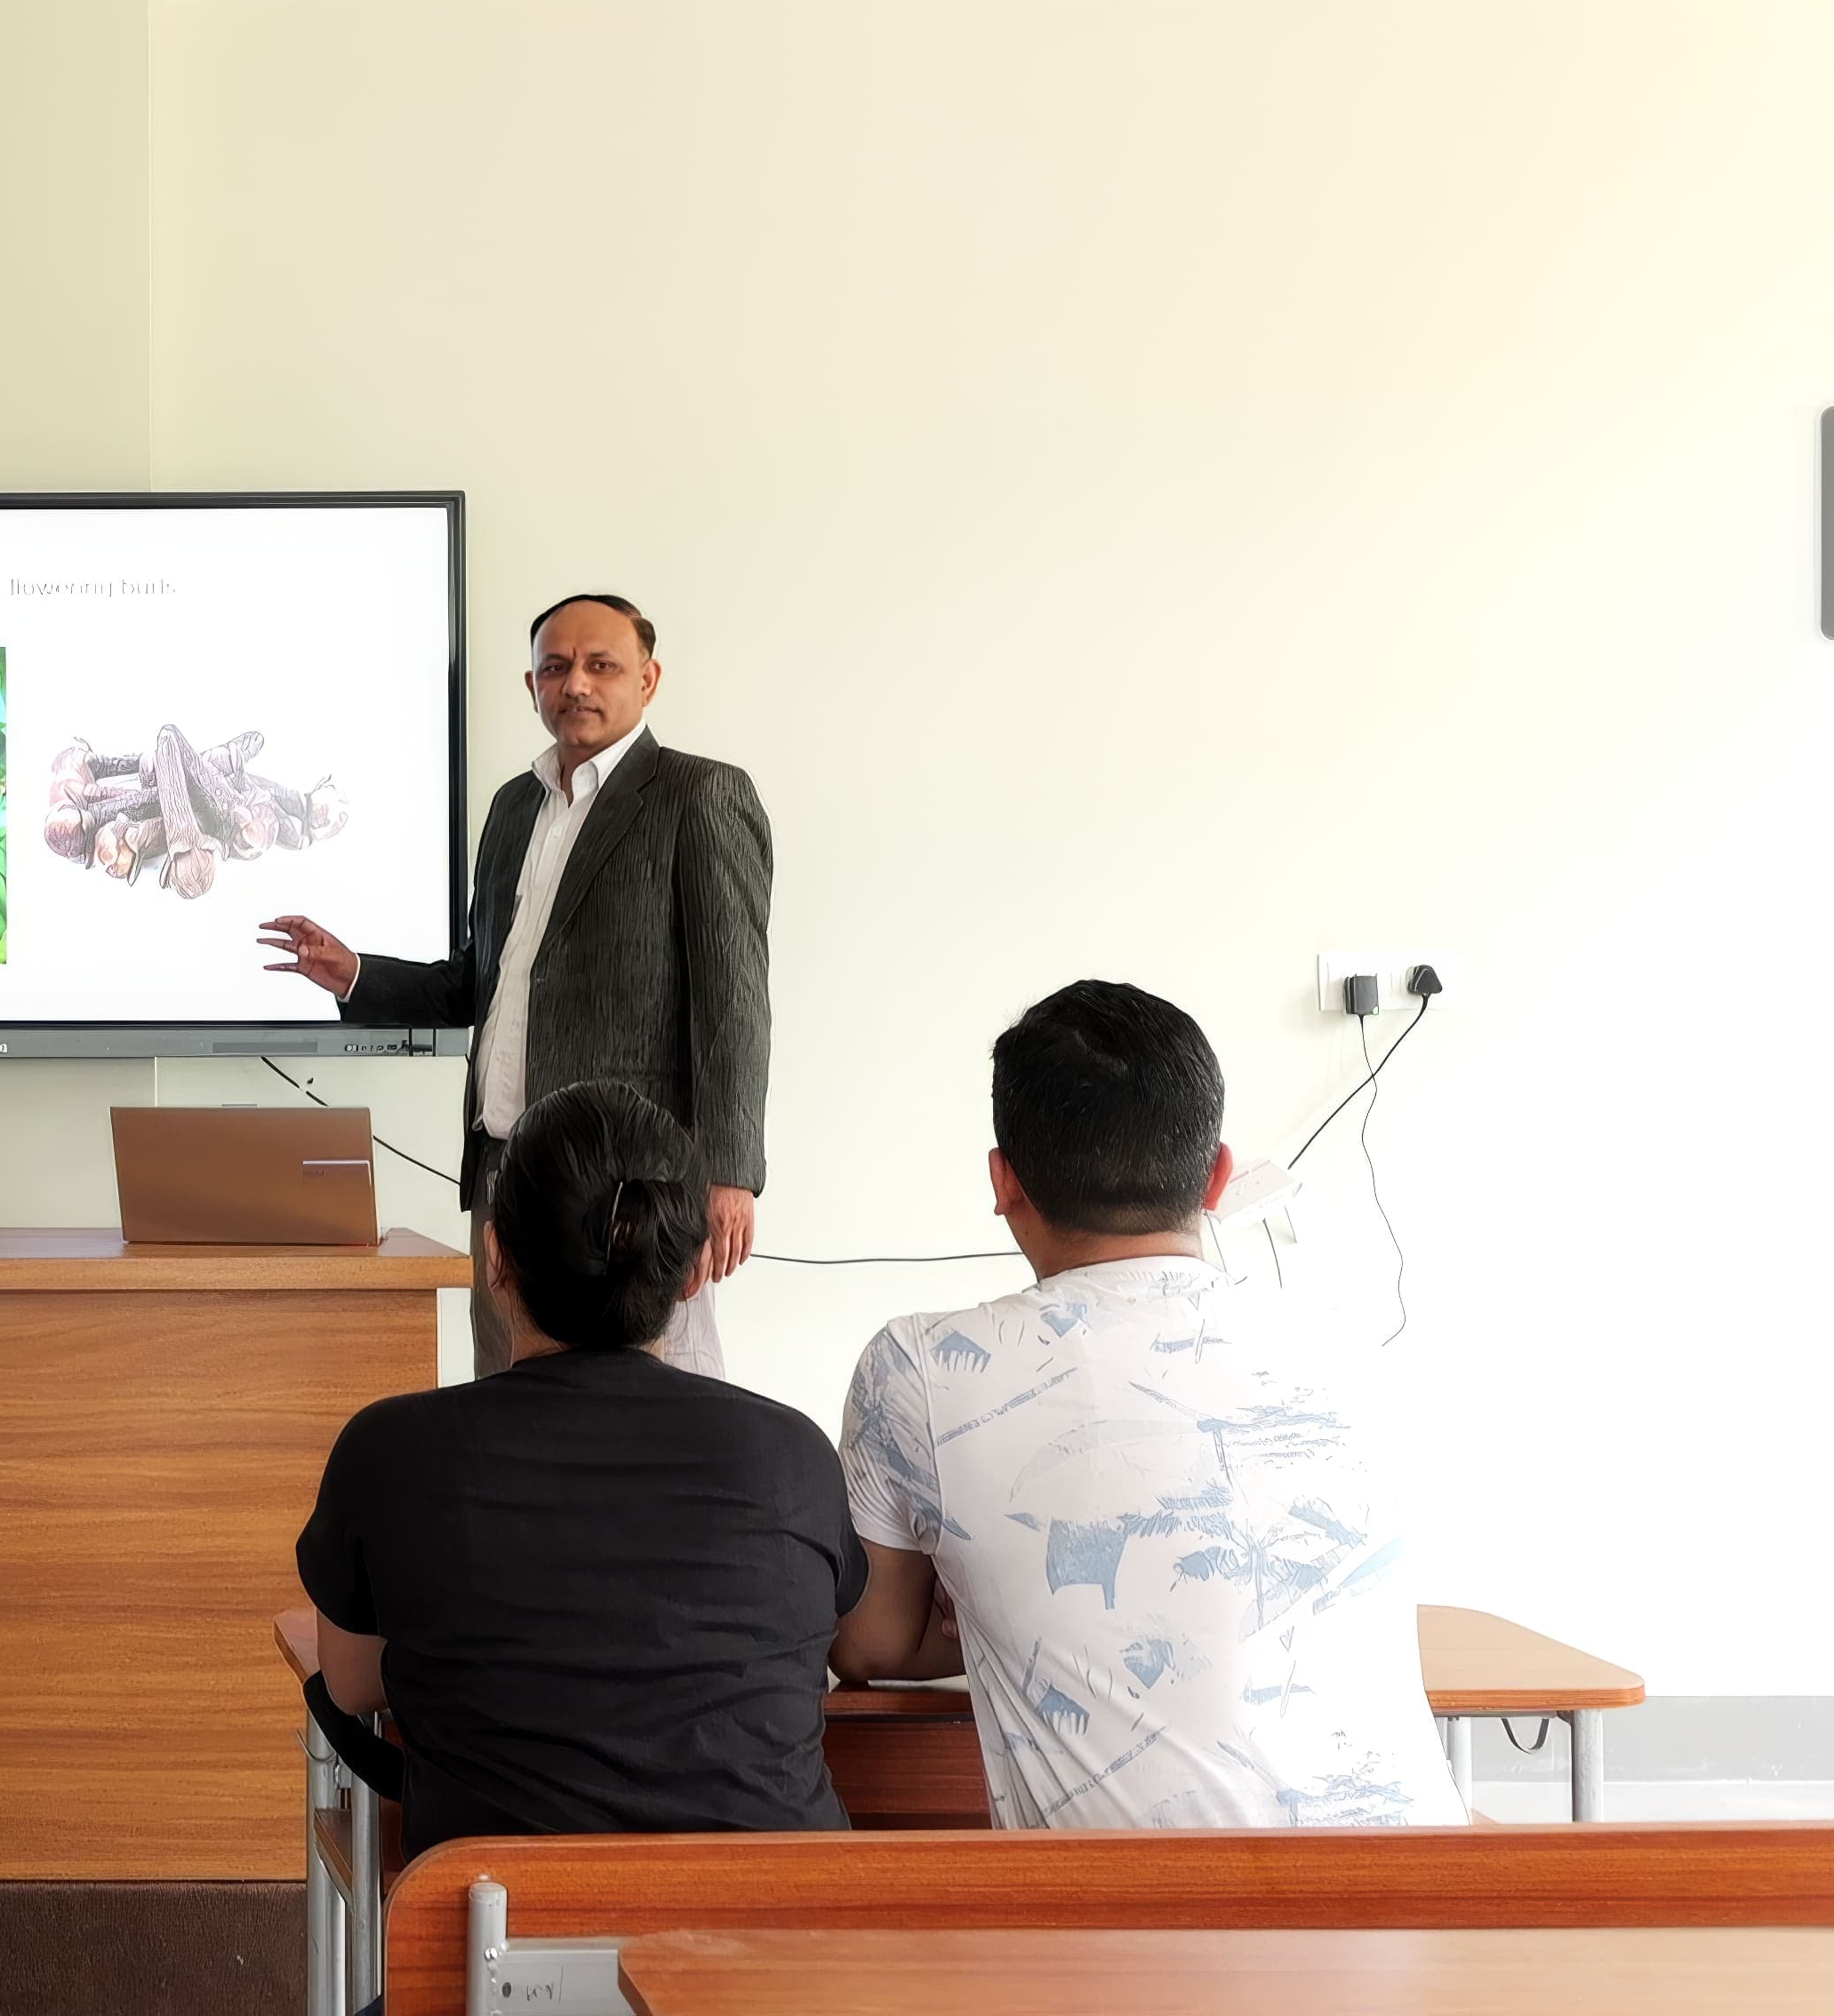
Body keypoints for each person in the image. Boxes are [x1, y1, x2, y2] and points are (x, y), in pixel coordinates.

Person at [829, 982, 1460, 1829]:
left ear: (1002, 1180)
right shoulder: (1348, 1348)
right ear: (1217, 1176)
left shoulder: (915, 1369)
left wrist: (993, 1596)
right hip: (1429, 1919)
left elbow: (866, 1645)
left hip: (1135, 1943)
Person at [296, 1079, 860, 1858]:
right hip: (779, 1952)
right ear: (693, 1272)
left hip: (500, 1957)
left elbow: (354, 1684)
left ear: (495, 1257)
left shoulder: (389, 1451)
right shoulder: (793, 1458)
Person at [261, 592, 772, 1378]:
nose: (575, 685)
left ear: (648, 677)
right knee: (506, 1400)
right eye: (555, 667)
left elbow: (732, 1003)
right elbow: (480, 986)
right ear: (531, 685)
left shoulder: (697, 796)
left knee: (655, 1410)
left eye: (600, 665)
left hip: (632, 1187)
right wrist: (356, 973)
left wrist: (730, 1174)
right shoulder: (511, 809)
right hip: (507, 1178)